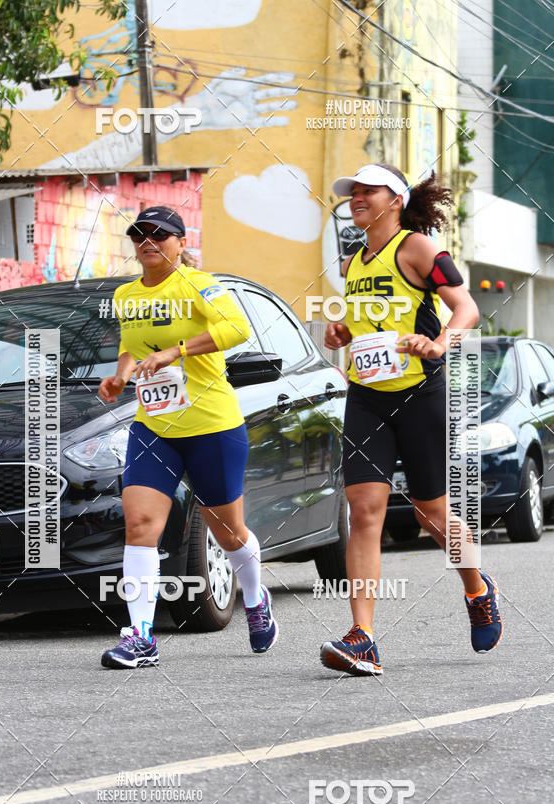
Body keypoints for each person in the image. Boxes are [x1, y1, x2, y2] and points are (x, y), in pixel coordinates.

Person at [320, 163, 502, 676]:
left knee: (431, 515)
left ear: (394, 198)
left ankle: (477, 588)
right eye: (351, 193)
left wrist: (439, 342)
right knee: (364, 509)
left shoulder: (419, 248)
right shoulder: (354, 258)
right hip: (366, 395)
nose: (356, 198)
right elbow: (367, 320)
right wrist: (342, 332)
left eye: (366, 191)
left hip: (421, 393)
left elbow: (465, 308)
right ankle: (364, 638)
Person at [97, 205, 278, 667]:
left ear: (180, 242)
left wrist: (175, 352)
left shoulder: (199, 285)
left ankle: (255, 601)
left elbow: (236, 328)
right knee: (140, 525)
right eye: (139, 233)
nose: (148, 240)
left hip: (211, 426)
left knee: (228, 530)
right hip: (154, 427)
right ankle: (140, 636)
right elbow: (129, 346)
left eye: (160, 233)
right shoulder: (125, 295)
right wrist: (119, 377)